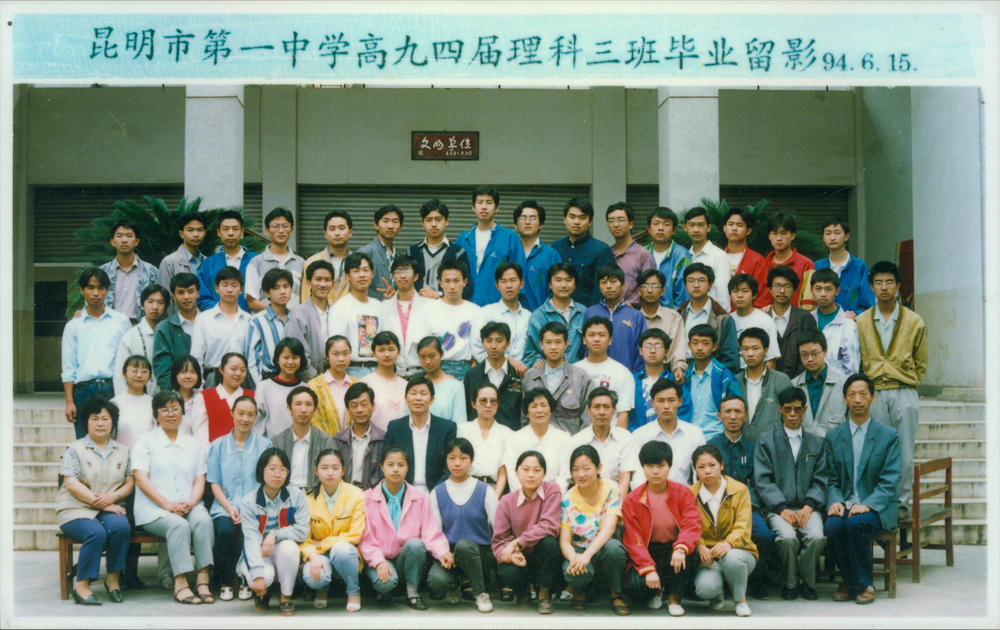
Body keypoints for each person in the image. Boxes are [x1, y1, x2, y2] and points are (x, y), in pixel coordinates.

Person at [856, 260, 927, 519]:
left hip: (903, 390)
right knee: (875, 450)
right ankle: (877, 502)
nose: (884, 287)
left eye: (889, 282)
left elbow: (921, 360)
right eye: (878, 282)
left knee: (904, 450)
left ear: (898, 286)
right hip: (874, 392)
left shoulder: (914, 320)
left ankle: (901, 503)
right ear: (872, 286)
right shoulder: (862, 320)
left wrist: (910, 380)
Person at [824, 374, 903, 605]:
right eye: (852, 395)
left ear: (873, 398)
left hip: (877, 505)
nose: (857, 399)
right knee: (833, 525)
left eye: (863, 394)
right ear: (845, 399)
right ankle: (852, 581)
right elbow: (831, 477)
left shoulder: (889, 435)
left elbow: (890, 480)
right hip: (845, 501)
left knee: (856, 523)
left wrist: (867, 504)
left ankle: (862, 584)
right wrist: (835, 500)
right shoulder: (833, 436)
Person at [131, 390, 214, 605]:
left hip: (187, 505)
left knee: (204, 520)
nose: (170, 414)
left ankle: (203, 579)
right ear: (156, 414)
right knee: (179, 526)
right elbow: (140, 479)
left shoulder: (194, 444)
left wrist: (192, 502)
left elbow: (199, 479)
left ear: (182, 413)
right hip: (154, 509)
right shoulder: (144, 442)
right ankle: (181, 582)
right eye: (164, 410)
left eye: (175, 409)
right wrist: (166, 504)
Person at [56, 396, 133, 605]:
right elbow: (71, 483)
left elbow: (130, 483)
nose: (100, 423)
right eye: (95, 418)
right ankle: (81, 587)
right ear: (86, 422)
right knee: (95, 533)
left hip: (110, 507)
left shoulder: (124, 451)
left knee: (121, 527)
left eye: (105, 419)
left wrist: (114, 497)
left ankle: (113, 580)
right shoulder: (75, 449)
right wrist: (103, 502)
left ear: (112, 423)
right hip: (75, 508)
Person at [754, 387, 828, 601]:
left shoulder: (816, 442)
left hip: (808, 507)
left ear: (804, 409)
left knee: (816, 537)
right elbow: (763, 479)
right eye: (788, 409)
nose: (793, 414)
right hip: (778, 508)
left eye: (797, 409)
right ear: (780, 409)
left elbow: (821, 478)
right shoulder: (766, 440)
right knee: (787, 538)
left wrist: (809, 506)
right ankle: (791, 582)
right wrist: (781, 508)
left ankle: (808, 582)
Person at [359, 447, 454, 610]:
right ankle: (386, 590)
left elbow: (430, 531)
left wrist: (442, 552)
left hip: (406, 559)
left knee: (416, 544)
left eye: (401, 465)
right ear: (382, 467)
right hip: (381, 558)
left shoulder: (419, 497)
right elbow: (366, 538)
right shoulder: (367, 497)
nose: (395, 469)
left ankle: (412, 592)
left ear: (408, 468)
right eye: (390, 464)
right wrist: (379, 561)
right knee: (385, 584)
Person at [622, 441, 701, 617]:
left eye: (661, 466)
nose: (655, 471)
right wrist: (648, 568)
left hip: (674, 548)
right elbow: (633, 539)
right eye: (650, 466)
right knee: (636, 587)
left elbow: (692, 524)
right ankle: (656, 592)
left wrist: (681, 547)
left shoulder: (683, 493)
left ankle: (674, 599)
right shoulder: (633, 499)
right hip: (648, 550)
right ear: (643, 467)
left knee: (687, 553)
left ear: (669, 467)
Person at [707, 395, 774, 601]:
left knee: (764, 535)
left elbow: (759, 481)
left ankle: (754, 582)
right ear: (719, 416)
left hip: (748, 507)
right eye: (727, 412)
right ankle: (725, 581)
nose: (733, 417)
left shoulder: (755, 447)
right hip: (719, 508)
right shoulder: (711, 447)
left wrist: (747, 504)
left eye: (738, 412)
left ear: (746, 416)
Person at [207, 396, 272, 601]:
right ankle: (226, 581)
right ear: (232, 414)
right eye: (241, 413)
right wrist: (229, 508)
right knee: (226, 532)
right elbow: (215, 483)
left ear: (255, 417)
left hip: (255, 508)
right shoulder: (217, 445)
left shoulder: (264, 445)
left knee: (249, 533)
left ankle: (245, 580)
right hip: (225, 507)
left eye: (250, 414)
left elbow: (267, 483)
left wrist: (249, 509)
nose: (245, 419)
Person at [427, 438, 499, 613]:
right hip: (451, 555)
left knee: (464, 546)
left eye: (463, 458)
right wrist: (443, 553)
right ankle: (455, 585)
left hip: (480, 554)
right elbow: (435, 532)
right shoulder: (437, 492)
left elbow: (499, 527)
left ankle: (480, 593)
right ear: (446, 460)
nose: (457, 463)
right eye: (452, 458)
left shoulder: (485, 490)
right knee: (436, 580)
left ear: (471, 461)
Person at [238, 448, 310, 615]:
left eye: (283, 469)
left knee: (289, 547)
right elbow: (251, 540)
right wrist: (257, 575)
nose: (277, 474)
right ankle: (262, 593)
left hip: (282, 549)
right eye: (272, 468)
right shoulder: (249, 502)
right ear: (261, 470)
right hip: (258, 551)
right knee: (264, 577)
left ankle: (286, 597)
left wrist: (275, 534)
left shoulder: (296, 496)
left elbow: (302, 530)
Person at [62, 268, 132, 439]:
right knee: (85, 444)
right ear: (81, 289)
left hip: (113, 388)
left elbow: (129, 361)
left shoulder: (121, 321)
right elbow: (69, 367)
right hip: (83, 392)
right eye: (90, 287)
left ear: (107, 290)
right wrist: (70, 401)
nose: (96, 293)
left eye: (101, 288)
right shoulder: (73, 326)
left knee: (116, 441)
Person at [689, 444, 758, 617]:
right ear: (695, 470)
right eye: (701, 467)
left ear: (721, 465)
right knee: (705, 589)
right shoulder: (690, 494)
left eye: (712, 465)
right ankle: (716, 594)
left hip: (739, 553)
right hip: (709, 557)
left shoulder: (739, 489)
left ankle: (740, 600)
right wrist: (700, 545)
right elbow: (689, 525)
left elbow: (743, 525)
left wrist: (729, 543)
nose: (707, 471)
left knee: (731, 558)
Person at [560, 445, 629, 615]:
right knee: (573, 572)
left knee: (614, 548)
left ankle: (616, 593)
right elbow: (565, 541)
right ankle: (580, 589)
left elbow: (610, 527)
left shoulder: (612, 488)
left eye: (586, 468)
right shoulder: (567, 498)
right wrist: (574, 558)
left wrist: (587, 555)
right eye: (575, 469)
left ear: (599, 468)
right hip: (579, 549)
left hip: (603, 549)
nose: (580, 474)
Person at [492, 451, 563, 613]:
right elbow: (499, 541)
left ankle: (543, 593)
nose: (531, 475)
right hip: (520, 557)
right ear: (516, 472)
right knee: (507, 568)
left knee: (549, 542)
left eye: (537, 470)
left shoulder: (552, 490)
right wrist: (510, 554)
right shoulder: (506, 501)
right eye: (525, 469)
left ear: (544, 473)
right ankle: (522, 591)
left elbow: (549, 525)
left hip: (542, 556)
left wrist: (517, 542)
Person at [300, 449, 367, 612]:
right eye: (324, 468)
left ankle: (353, 591)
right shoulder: (306, 498)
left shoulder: (356, 495)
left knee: (341, 548)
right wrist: (313, 555)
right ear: (316, 470)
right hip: (319, 553)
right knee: (314, 578)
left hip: (345, 552)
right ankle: (322, 588)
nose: (330, 473)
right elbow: (303, 538)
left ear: (343, 471)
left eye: (335, 468)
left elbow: (355, 534)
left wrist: (322, 543)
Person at [383, 377, 458, 494]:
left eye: (423, 394)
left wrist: (435, 494)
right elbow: (385, 462)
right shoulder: (395, 427)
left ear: (432, 399)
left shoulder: (447, 428)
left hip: (436, 492)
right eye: (413, 393)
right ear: (405, 399)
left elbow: (449, 466)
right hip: (402, 492)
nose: (418, 398)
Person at [628, 380, 706, 488]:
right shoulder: (640, 435)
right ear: (653, 403)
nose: (666, 406)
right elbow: (638, 476)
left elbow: (700, 473)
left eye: (671, 400)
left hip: (685, 496)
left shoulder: (694, 433)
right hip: (651, 496)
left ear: (680, 401)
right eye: (660, 401)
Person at [522, 321, 595, 434]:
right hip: (536, 442)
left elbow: (587, 419)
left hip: (571, 442)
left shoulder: (581, 378)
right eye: (548, 342)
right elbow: (524, 418)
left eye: (558, 342)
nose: (553, 347)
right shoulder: (530, 377)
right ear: (541, 344)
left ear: (566, 344)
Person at [455, 185, 520, 307]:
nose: (484, 206)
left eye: (489, 202)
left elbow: (518, 276)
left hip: (499, 307)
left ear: (497, 208)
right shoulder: (463, 238)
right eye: (480, 202)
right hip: (466, 307)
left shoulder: (510, 237)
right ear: (473, 207)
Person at [189, 267, 252, 388]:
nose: (229, 290)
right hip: (213, 378)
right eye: (225, 285)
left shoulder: (249, 320)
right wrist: (198, 388)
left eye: (234, 285)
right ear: (217, 288)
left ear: (241, 290)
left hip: (242, 380)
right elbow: (197, 358)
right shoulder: (203, 319)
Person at [566, 388, 633, 498]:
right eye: (596, 407)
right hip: (585, 499)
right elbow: (574, 480)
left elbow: (624, 478)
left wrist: (617, 506)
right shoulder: (576, 441)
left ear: (614, 410)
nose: (601, 412)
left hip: (616, 498)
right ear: (588, 410)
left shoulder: (625, 438)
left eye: (606, 407)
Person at [678, 324, 741, 440]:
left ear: (714, 347)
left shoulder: (725, 376)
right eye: (695, 343)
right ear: (689, 346)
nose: (700, 347)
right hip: (687, 439)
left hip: (716, 438)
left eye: (705, 343)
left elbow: (736, 410)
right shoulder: (683, 378)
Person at [677, 263, 741, 375]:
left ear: (710, 285)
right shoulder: (677, 315)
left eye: (701, 280)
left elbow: (730, 359)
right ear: (685, 284)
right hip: (681, 373)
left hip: (713, 375)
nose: (696, 285)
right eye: (691, 281)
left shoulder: (723, 318)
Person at [327, 252, 383, 379]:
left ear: (372, 274)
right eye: (356, 271)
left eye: (365, 270)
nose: (362, 275)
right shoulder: (340, 307)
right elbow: (336, 346)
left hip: (378, 369)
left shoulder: (379, 306)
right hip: (352, 370)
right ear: (348, 276)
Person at [573, 316, 636, 428]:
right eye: (591, 335)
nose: (596, 339)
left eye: (602, 335)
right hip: (579, 435)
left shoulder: (622, 373)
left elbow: (623, 415)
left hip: (611, 435)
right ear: (584, 340)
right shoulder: (573, 370)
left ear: (610, 340)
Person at [522, 262, 589, 368]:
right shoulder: (539, 316)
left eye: (568, 280)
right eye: (558, 280)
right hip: (549, 373)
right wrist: (538, 362)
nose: (563, 285)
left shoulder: (583, 312)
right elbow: (530, 354)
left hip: (578, 373)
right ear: (550, 284)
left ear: (575, 284)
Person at [552, 197, 615, 307]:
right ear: (565, 219)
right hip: (556, 311)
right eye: (572, 217)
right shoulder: (556, 246)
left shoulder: (601, 249)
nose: (576, 222)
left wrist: (591, 314)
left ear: (590, 221)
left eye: (582, 218)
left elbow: (602, 288)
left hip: (587, 312)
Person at [271, 387, 336, 491]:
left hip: (315, 494)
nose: (303, 410)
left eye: (308, 404)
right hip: (284, 494)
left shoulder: (326, 442)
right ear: (289, 408)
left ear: (315, 410)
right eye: (298, 404)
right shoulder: (277, 442)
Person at [472, 262, 531, 375]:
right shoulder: (485, 313)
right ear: (497, 285)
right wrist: (508, 362)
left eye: (513, 280)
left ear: (521, 283)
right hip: (493, 374)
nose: (509, 285)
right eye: (503, 281)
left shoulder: (529, 317)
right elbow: (477, 349)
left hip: (524, 374)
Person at [735, 328, 794, 443]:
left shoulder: (780, 380)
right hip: (742, 446)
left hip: (773, 445)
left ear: (766, 350)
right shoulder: (735, 381)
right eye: (745, 349)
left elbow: (791, 415)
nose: (750, 353)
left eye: (755, 348)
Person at [585, 264, 647, 372]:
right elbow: (583, 349)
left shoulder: (636, 316)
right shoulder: (590, 312)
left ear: (622, 284)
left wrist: (634, 376)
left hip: (626, 375)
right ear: (598, 285)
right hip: (593, 375)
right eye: (604, 282)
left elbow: (642, 351)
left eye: (613, 281)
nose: (608, 286)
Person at [507, 388, 571, 492]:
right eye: (534, 406)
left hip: (553, 496)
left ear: (551, 410)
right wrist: (527, 498)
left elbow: (564, 475)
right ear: (527, 413)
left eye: (543, 405)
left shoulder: (563, 438)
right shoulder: (515, 438)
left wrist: (553, 497)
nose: (539, 410)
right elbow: (512, 474)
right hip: (522, 497)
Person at [409, 199, 474, 301]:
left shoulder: (458, 252)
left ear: (446, 221)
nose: (434, 224)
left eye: (438, 219)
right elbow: (405, 284)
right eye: (429, 220)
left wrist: (440, 294)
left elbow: (467, 288)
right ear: (423, 223)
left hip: (447, 307)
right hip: (418, 306)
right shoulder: (412, 251)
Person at [427, 259, 481, 381]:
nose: (452, 286)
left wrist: (470, 377)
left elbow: (478, 349)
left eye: (456, 281)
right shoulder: (428, 309)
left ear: (465, 282)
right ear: (440, 283)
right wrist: (438, 374)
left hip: (466, 369)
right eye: (447, 281)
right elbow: (424, 346)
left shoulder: (476, 311)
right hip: (436, 369)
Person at [380, 255, 433, 376]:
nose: (402, 275)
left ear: (416, 276)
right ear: (393, 277)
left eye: (407, 271)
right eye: (398, 271)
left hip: (422, 374)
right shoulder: (383, 307)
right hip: (393, 374)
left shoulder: (429, 306)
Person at [464, 322, 523, 430]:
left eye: (499, 341)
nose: (494, 346)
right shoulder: (472, 375)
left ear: (508, 344)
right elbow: (468, 410)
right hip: (479, 434)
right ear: (483, 344)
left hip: (511, 434)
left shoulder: (518, 374)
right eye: (489, 341)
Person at [244, 208, 306, 312]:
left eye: (285, 226)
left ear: (291, 230)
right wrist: (283, 310)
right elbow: (252, 302)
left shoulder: (301, 263)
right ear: (266, 230)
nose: (281, 231)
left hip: (294, 321)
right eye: (276, 226)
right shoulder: (256, 263)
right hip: (265, 321)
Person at [99, 219, 159, 324]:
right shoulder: (102, 272)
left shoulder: (152, 272)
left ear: (136, 242)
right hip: (109, 326)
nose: (124, 240)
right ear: (112, 242)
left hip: (140, 326)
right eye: (119, 236)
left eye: (129, 236)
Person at [457, 383, 513, 495]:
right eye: (483, 400)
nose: (488, 405)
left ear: (498, 404)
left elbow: (503, 471)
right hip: (463, 488)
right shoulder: (462, 430)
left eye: (493, 401)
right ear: (474, 404)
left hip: (492, 490)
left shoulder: (507, 433)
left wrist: (495, 497)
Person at [196, 210, 257, 312]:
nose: (230, 233)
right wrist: (218, 315)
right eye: (225, 229)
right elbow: (203, 297)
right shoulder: (209, 264)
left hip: (250, 319)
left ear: (242, 232)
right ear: (218, 232)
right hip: (216, 319)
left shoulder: (255, 260)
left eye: (235, 229)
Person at [113, 284, 168, 396]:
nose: (155, 307)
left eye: (160, 302)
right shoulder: (130, 337)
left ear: (166, 306)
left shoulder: (170, 333)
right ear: (142, 305)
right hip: (138, 399)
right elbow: (120, 376)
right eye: (150, 302)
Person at [792, 330, 849, 438]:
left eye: (815, 354)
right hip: (803, 444)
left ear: (825, 351)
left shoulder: (844, 383)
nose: (810, 359)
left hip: (834, 444)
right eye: (804, 355)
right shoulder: (793, 385)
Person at [187, 352, 253, 445]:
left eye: (242, 370)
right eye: (233, 369)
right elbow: (200, 438)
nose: (238, 373)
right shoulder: (204, 397)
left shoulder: (253, 396)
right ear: (221, 369)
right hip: (214, 452)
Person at [814, 219, 875, 318]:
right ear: (823, 238)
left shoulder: (860, 266)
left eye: (837, 233)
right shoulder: (817, 266)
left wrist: (857, 314)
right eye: (828, 233)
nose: (832, 238)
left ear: (846, 236)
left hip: (851, 323)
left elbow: (869, 304)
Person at [244, 268, 294, 387]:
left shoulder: (295, 318)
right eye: (276, 288)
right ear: (267, 293)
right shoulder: (257, 321)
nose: (283, 291)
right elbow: (251, 361)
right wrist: (259, 390)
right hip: (269, 381)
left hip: (294, 381)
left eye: (286, 286)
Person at [332, 382, 386, 490]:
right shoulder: (338, 440)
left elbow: (383, 473)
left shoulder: (383, 439)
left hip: (372, 495)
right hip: (344, 495)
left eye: (364, 404)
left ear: (372, 406)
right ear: (347, 409)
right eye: (354, 405)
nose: (360, 410)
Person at [767, 265, 818, 379]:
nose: (782, 291)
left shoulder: (805, 318)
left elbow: (810, 353)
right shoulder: (763, 319)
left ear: (794, 290)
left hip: (798, 382)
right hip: (768, 383)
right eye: (777, 286)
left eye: (787, 286)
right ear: (770, 289)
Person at [287, 260, 336, 381]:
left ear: (332, 283)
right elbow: (296, 351)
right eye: (318, 279)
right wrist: (314, 379)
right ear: (308, 283)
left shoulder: (336, 311)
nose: (323, 284)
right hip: (310, 380)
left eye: (327, 280)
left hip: (335, 377)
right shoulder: (299, 314)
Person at [635, 269, 688, 379]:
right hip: (638, 372)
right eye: (646, 286)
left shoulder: (673, 317)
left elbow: (678, 348)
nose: (650, 290)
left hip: (665, 372)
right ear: (639, 291)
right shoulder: (633, 318)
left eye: (655, 286)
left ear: (662, 291)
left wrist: (678, 368)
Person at [153, 273, 201, 391]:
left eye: (190, 291)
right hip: (178, 394)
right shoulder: (164, 328)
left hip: (210, 391)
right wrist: (180, 395)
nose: (186, 297)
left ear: (198, 293)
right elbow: (163, 371)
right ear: (173, 296)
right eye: (180, 292)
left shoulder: (210, 322)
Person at [511, 199, 562, 311]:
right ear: (515, 224)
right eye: (523, 218)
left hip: (542, 318)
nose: (527, 222)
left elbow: (558, 292)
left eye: (533, 218)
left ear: (541, 224)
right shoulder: (509, 252)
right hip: (510, 317)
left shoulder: (551, 255)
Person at [810, 268, 861, 377]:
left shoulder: (847, 324)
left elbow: (852, 367)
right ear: (811, 290)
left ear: (837, 291)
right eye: (818, 289)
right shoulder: (807, 319)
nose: (823, 294)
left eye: (828, 289)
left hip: (838, 384)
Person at [253, 338, 307, 439]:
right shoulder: (264, 387)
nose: (290, 362)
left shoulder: (306, 388)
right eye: (286, 357)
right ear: (277, 359)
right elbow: (257, 422)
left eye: (295, 357)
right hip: (271, 445)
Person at [605, 202, 655, 307]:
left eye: (620, 220)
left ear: (631, 224)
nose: (615, 224)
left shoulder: (642, 254)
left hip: (634, 312)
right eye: (611, 221)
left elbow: (650, 290)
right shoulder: (607, 253)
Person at [306, 336, 358, 436]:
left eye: (345, 353)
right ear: (327, 356)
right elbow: (314, 420)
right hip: (324, 442)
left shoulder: (357, 384)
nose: (341, 359)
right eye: (335, 354)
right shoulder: (315, 386)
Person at [643, 206, 691, 309]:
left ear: (674, 230)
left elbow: (683, 294)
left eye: (666, 224)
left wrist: (673, 315)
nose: (660, 228)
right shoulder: (642, 252)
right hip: (644, 313)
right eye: (656, 223)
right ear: (649, 229)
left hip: (672, 314)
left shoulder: (682, 254)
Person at [301, 210, 353, 306]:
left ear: (350, 232)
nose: (337, 233)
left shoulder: (358, 263)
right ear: (325, 234)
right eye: (332, 229)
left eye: (341, 228)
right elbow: (306, 299)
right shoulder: (312, 262)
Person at [729, 274, 781, 370]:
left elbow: (771, 358)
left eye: (745, 291)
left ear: (754, 295)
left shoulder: (765, 321)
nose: (740, 295)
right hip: (732, 374)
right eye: (735, 291)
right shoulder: (728, 320)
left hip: (758, 374)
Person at [763, 213, 815, 308]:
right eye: (774, 233)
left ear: (792, 235)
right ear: (769, 236)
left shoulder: (806, 264)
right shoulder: (762, 264)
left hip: (797, 316)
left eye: (784, 233)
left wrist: (804, 317)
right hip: (766, 316)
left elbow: (809, 301)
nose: (779, 238)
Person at [723, 207, 771, 309]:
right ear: (724, 228)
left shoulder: (757, 260)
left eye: (739, 225)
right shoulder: (717, 257)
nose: (734, 228)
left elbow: (763, 295)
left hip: (747, 315)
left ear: (748, 231)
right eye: (731, 224)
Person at [361, 331, 409, 431]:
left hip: (401, 439)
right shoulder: (365, 384)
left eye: (391, 349)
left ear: (398, 351)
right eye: (381, 350)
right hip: (374, 439)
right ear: (374, 353)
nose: (387, 354)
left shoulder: (406, 385)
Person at [683, 207, 730, 309]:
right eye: (691, 225)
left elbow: (723, 296)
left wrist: (720, 317)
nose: (696, 230)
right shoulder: (685, 256)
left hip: (711, 315)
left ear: (708, 227)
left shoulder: (719, 256)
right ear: (685, 227)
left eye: (700, 225)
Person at [631, 328, 675, 432]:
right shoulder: (631, 380)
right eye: (648, 346)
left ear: (666, 351)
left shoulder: (674, 381)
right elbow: (625, 414)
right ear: (640, 351)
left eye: (658, 346)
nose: (653, 351)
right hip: (638, 437)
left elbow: (684, 412)